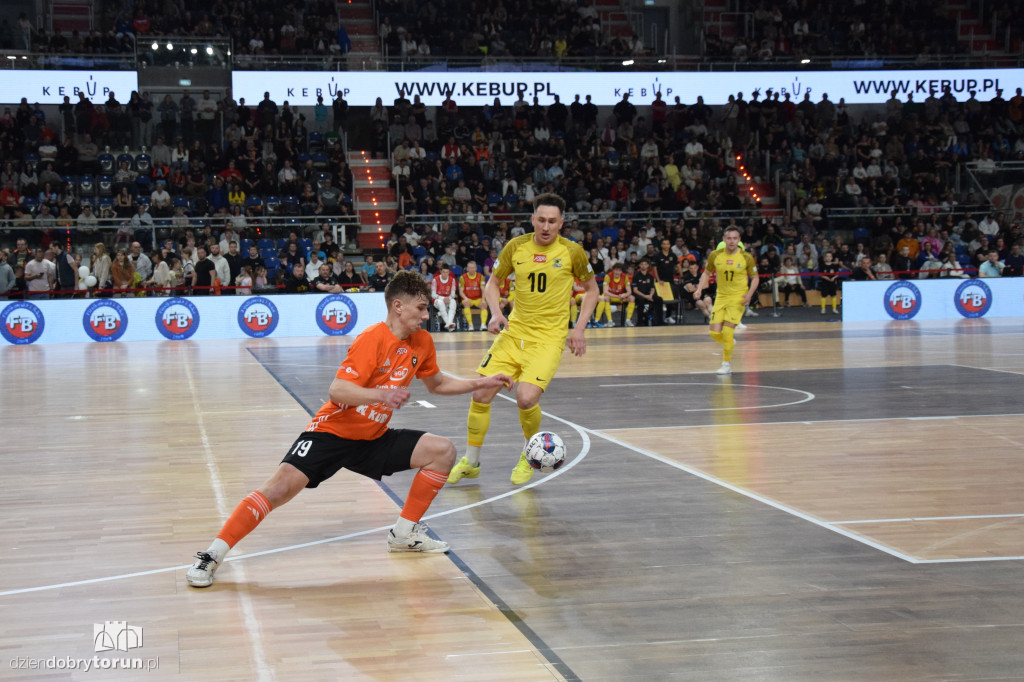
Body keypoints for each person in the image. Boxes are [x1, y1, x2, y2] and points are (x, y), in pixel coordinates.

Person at [186, 272, 514, 587]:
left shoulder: (422, 342)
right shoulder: (372, 339)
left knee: (442, 452)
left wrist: (482, 382)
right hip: (332, 432)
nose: (426, 315)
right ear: (398, 306)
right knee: (278, 490)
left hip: (372, 439)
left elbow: (438, 383)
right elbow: (337, 390)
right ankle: (212, 555)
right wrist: (382, 394)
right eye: (421, 307)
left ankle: (403, 534)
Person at [448, 194, 598, 487]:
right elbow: (493, 282)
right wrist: (495, 313)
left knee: (526, 397)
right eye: (540, 220)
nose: (545, 226)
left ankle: (531, 454)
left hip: (548, 339)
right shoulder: (515, 247)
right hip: (514, 333)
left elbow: (592, 290)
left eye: (552, 221)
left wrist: (578, 329)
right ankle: (471, 462)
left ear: (561, 223)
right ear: (532, 220)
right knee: (480, 393)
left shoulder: (573, 252)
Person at [692, 227, 759, 375]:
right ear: (724, 239)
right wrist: (699, 289)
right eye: (729, 238)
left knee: (728, 331)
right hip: (721, 297)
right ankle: (729, 343)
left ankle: (726, 364)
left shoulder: (746, 257)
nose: (732, 241)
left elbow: (755, 278)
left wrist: (749, 295)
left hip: (738, 298)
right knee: (714, 333)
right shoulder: (715, 255)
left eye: (735, 238)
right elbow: (706, 273)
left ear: (739, 240)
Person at [594, 262, 636, 327]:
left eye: (619, 271)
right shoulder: (608, 276)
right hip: (611, 296)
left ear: (622, 271)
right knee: (606, 297)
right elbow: (605, 292)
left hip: (620, 296)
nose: (617, 272)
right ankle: (610, 321)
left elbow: (629, 291)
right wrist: (616, 296)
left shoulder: (625, 277)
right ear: (613, 270)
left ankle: (628, 320)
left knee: (632, 298)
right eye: (616, 270)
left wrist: (625, 295)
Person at [458, 260, 488, 331]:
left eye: (473, 267)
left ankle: (483, 324)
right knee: (466, 304)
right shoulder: (463, 277)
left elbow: (483, 290)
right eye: (470, 268)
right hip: (468, 298)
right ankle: (470, 324)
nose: (472, 269)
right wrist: (465, 298)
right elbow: (460, 291)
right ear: (467, 269)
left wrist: (483, 300)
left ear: (476, 268)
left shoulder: (480, 276)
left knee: (484, 305)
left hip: (478, 298)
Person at [431, 261, 458, 331]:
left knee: (453, 302)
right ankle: (449, 324)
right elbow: (433, 295)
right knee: (441, 303)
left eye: (447, 272)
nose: (445, 274)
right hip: (437, 300)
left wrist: (448, 298)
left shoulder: (452, 280)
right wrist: (443, 298)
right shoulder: (435, 280)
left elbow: (452, 294)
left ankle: (449, 324)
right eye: (443, 272)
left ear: (449, 272)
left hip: (448, 299)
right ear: (440, 271)